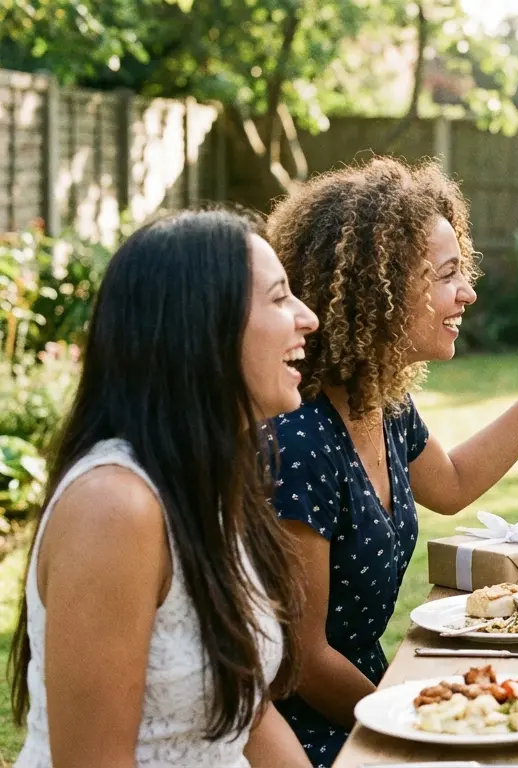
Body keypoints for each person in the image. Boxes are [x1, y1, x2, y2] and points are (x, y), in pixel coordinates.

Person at [261, 156, 518, 767]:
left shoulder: (381, 402)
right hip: (314, 731)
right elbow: (304, 659)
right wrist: (420, 727)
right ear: (381, 287)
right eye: (447, 274)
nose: (467, 292)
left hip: (376, 702)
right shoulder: (300, 439)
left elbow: (451, 485)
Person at [9, 210, 317, 766]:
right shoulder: (114, 507)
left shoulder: (212, 477)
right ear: (201, 328)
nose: (308, 318)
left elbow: (246, 714)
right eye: (278, 298)